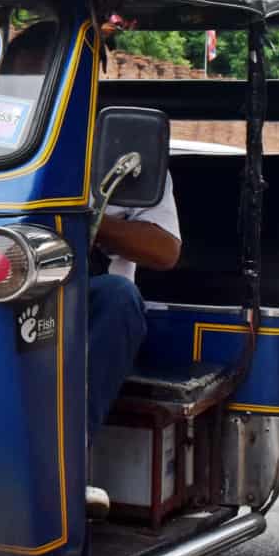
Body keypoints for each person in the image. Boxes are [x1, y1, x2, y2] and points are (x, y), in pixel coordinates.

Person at [85, 132, 181, 448]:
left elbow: (165, 249)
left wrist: (89, 220)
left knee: (118, 296)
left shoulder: (129, 157)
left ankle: (72, 447)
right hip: (6, 289)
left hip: (87, 307)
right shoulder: (3, 149)